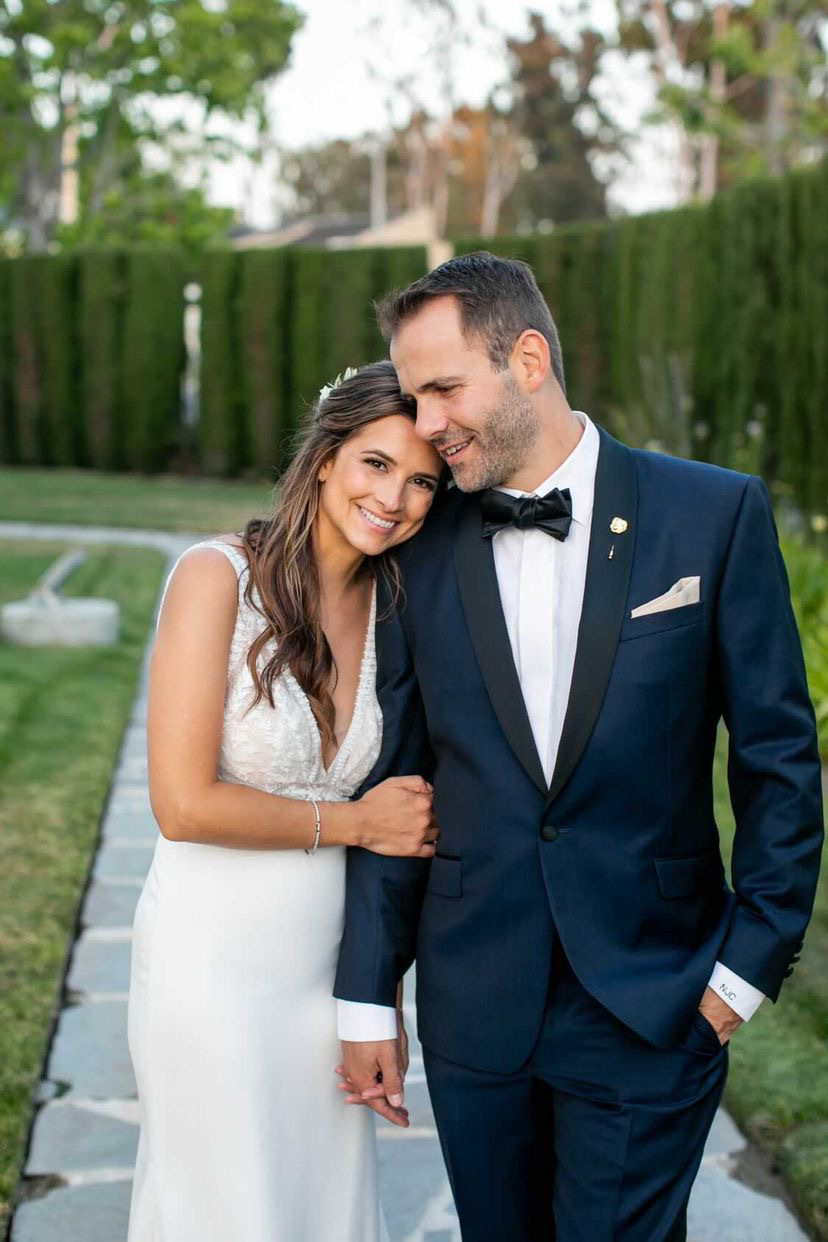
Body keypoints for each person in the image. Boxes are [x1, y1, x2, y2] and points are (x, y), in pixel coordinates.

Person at [335, 254, 824, 1241]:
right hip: (477, 1007)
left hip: (656, 1000)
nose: (423, 423)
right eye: (413, 395)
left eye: (442, 389)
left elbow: (778, 757)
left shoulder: (712, 514)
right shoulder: (419, 546)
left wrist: (741, 974)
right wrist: (367, 997)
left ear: (526, 359)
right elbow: (401, 777)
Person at [126, 360, 443, 1242]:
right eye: (377, 464)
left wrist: (368, 1001)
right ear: (327, 455)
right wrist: (355, 822)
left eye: (423, 481)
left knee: (320, 1214)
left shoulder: (397, 607)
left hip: (323, 975)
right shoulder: (215, 578)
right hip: (210, 967)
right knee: (228, 1211)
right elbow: (182, 804)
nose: (396, 498)